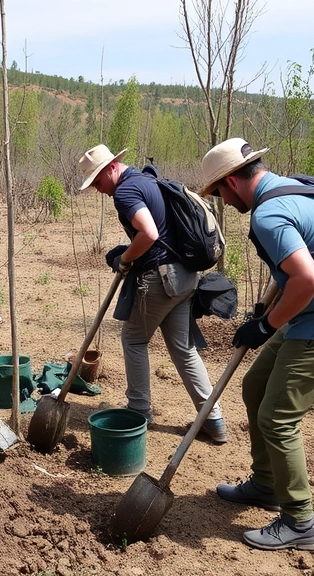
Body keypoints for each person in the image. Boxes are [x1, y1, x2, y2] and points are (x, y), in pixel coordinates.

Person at [199, 137, 314, 551]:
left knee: (277, 417)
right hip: (312, 317)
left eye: (219, 193)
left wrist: (266, 328)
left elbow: (309, 279)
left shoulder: (270, 213)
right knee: (254, 387)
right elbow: (291, 272)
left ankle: (299, 522)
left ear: (232, 182)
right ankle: (266, 484)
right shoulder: (289, 190)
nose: (223, 201)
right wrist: (263, 312)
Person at [77, 144, 227, 443]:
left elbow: (149, 233)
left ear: (111, 168)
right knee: (184, 350)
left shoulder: (125, 192)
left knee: (133, 339)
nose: (98, 188)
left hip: (161, 278)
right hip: (185, 278)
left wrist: (126, 259)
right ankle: (213, 420)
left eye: (97, 180)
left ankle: (138, 412)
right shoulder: (148, 180)